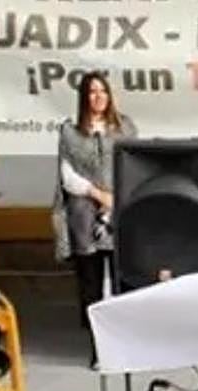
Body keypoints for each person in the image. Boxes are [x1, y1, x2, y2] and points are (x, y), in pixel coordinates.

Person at [52, 71, 138, 369]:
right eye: (92, 92)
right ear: (84, 97)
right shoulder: (70, 131)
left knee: (121, 283)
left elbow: (135, 166)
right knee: (90, 285)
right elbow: (67, 176)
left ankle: (124, 347)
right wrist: (97, 195)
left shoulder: (125, 127)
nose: (98, 96)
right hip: (84, 217)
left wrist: (115, 200)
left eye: (102, 91)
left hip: (120, 214)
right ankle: (98, 349)